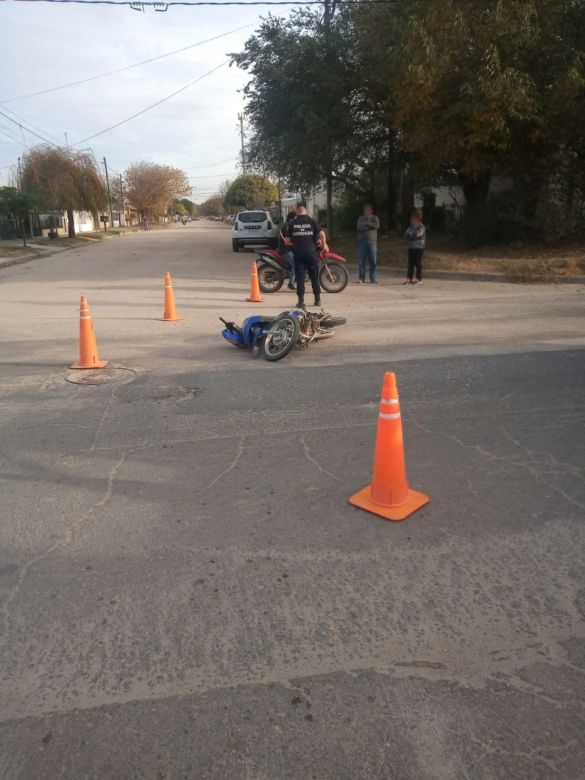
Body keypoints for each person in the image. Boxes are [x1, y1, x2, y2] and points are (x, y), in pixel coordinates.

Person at [283, 202, 328, 308]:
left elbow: (286, 241)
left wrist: (297, 242)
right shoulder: (312, 221)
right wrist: (324, 245)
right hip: (312, 254)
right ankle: (317, 300)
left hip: (299, 254)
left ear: (297, 211)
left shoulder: (292, 223)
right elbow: (322, 234)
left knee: (300, 278)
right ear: (306, 210)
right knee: (314, 277)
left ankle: (301, 301)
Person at [356, 203, 380, 284]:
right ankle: (361, 278)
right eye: (365, 210)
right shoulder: (360, 218)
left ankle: (373, 279)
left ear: (371, 210)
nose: (366, 211)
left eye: (368, 210)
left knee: (373, 261)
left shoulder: (375, 218)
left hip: (372, 243)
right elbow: (359, 227)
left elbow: (376, 226)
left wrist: (367, 224)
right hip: (362, 243)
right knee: (361, 261)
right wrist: (370, 226)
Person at [404, 210, 426, 285]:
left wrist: (412, 236)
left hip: (419, 248)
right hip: (411, 247)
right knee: (411, 263)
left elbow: (417, 235)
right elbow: (406, 234)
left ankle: (418, 278)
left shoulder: (421, 227)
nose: (411, 220)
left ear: (417, 219)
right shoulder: (410, 227)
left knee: (418, 263)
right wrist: (412, 236)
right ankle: (409, 278)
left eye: (413, 218)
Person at [278, 210, 297, 290]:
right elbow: (287, 241)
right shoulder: (287, 226)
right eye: (296, 218)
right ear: (291, 218)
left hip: (289, 249)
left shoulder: (289, 225)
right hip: (285, 250)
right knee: (296, 264)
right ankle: (291, 283)